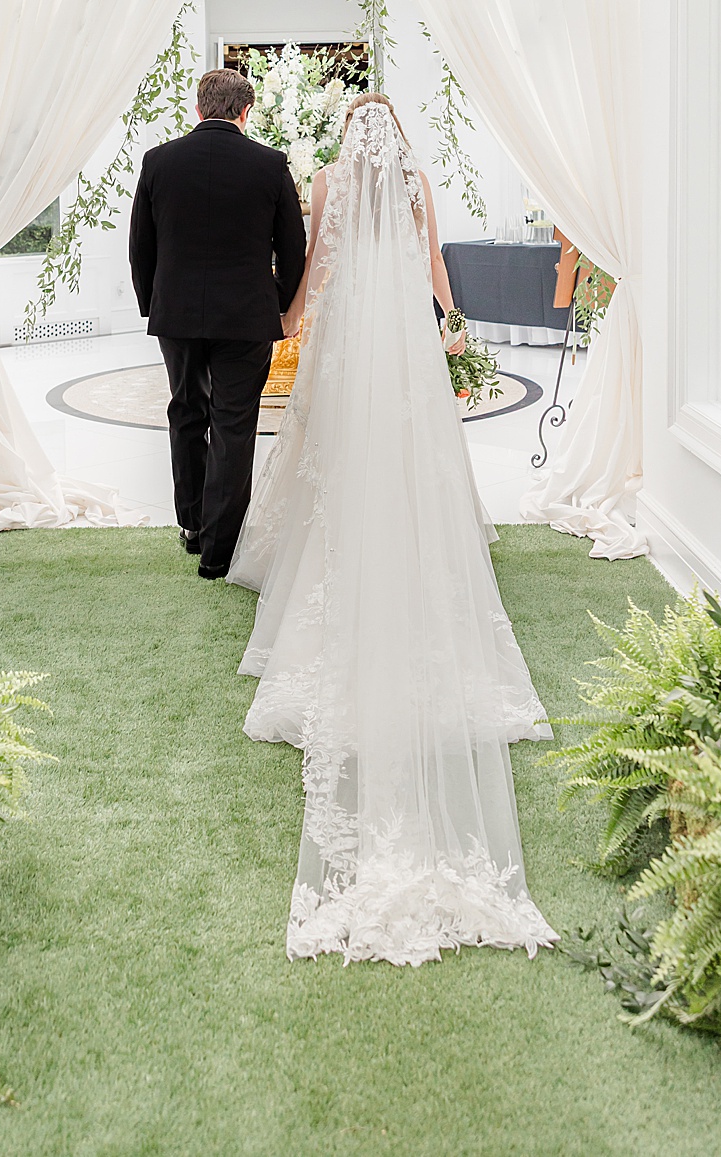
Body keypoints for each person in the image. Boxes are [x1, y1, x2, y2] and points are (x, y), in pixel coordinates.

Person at [227, 94, 555, 965]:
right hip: (402, 336)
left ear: (349, 135)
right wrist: (449, 321)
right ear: (397, 136)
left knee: (338, 455)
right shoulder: (416, 180)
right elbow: (433, 262)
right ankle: (408, 550)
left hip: (347, 338)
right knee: (412, 452)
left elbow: (319, 262)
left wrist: (296, 316)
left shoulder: (327, 180)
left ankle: (349, 555)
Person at [127, 67, 307, 579]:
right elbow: (292, 248)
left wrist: (153, 303)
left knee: (186, 411)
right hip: (247, 316)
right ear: (246, 112)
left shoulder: (159, 161)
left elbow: (141, 244)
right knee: (234, 423)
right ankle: (219, 551)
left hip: (177, 313)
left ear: (198, 108)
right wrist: (277, 302)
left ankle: (192, 525)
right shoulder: (270, 164)